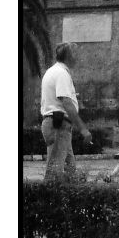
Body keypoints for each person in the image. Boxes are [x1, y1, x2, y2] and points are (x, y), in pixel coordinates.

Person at [40, 43, 92, 181]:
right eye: (76, 53)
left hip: (56, 124)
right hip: (59, 125)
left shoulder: (53, 71)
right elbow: (66, 103)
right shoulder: (62, 74)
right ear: (69, 56)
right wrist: (83, 129)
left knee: (70, 171)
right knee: (54, 173)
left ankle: (68, 201)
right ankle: (49, 200)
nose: (78, 57)